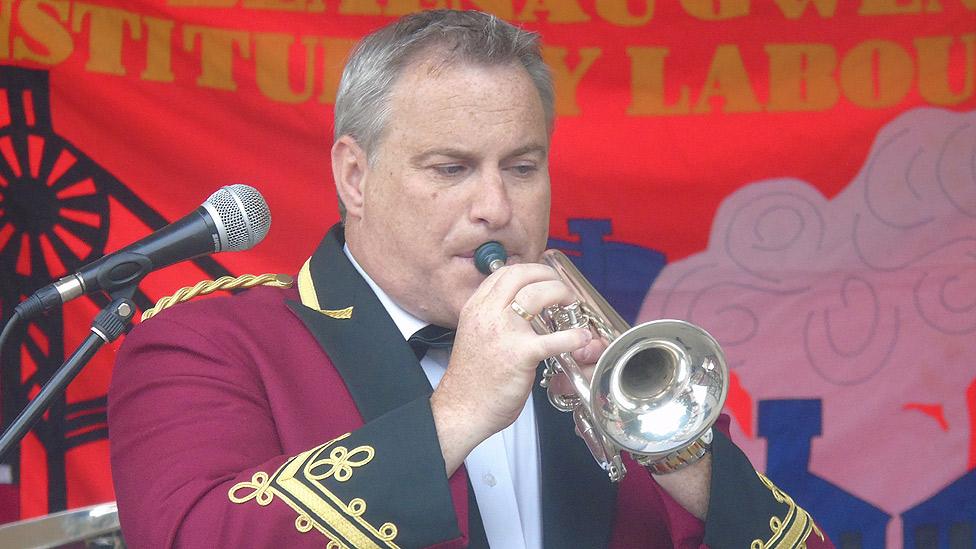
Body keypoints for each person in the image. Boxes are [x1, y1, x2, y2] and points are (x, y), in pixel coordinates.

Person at [108, 9, 831, 549]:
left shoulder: (598, 361)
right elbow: (186, 534)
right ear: (354, 177)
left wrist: (677, 452)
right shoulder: (207, 342)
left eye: (521, 167)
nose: (495, 208)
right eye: (451, 169)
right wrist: (455, 412)